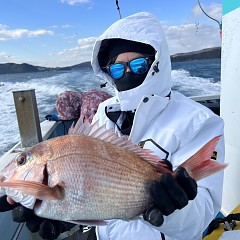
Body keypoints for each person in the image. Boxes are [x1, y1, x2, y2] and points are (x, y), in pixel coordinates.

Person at [0, 12, 224, 240]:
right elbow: (93, 194)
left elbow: (203, 216)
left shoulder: (200, 121)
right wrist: (60, 217)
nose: (126, 73)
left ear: (157, 63)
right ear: (108, 73)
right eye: (117, 69)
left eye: (138, 65)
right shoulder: (104, 111)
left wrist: (172, 212)